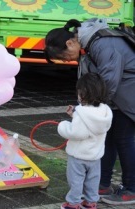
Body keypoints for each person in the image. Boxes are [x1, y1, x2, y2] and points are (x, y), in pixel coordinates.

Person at [45, 18, 135, 205]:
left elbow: (108, 81)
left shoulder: (103, 44)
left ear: (70, 42)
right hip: (118, 98)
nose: (66, 60)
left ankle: (131, 189)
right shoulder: (92, 43)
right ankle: (102, 184)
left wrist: (87, 110)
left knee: (125, 142)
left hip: (128, 97)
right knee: (108, 139)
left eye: (64, 56)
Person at [57, 72, 112, 209]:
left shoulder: (82, 112)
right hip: (95, 156)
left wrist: (62, 125)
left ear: (83, 94)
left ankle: (73, 203)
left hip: (78, 156)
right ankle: (91, 202)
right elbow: (90, 123)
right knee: (93, 180)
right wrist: (75, 115)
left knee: (76, 181)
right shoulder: (105, 111)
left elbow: (76, 133)